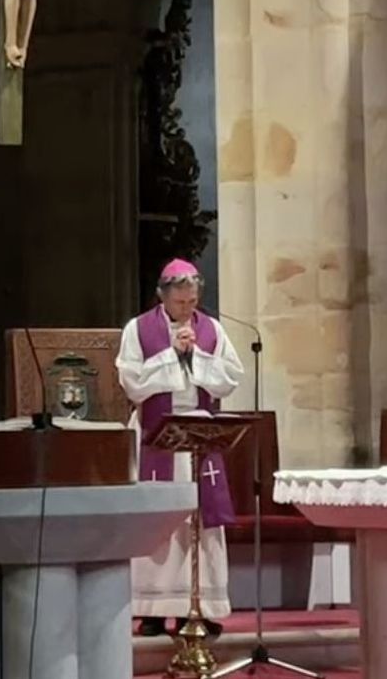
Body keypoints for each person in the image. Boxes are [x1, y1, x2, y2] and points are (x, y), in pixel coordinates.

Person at [116, 259, 245, 637]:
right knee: (158, 522)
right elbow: (132, 383)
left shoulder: (212, 329)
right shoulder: (137, 329)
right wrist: (171, 354)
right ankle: (153, 610)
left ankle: (200, 607)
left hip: (199, 432)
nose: (188, 308)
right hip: (157, 434)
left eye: (192, 301)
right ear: (163, 296)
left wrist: (193, 356)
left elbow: (231, 377)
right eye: (180, 302)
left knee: (200, 522)